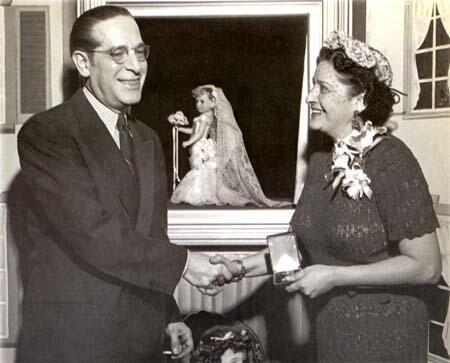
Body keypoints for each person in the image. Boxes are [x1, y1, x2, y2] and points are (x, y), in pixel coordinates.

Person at [13, 6, 233, 363]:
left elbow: (150, 236)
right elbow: (93, 232)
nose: (135, 65)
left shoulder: (146, 139)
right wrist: (184, 263)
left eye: (139, 51)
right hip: (72, 345)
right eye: (118, 53)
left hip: (140, 342)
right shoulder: (47, 134)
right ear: (84, 64)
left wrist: (168, 315)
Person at [211, 31, 442, 362]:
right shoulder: (322, 160)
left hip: (387, 337)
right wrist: (238, 267)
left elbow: (427, 267)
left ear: (359, 100)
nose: (309, 97)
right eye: (313, 85)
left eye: (324, 88)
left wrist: (335, 276)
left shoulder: (392, 160)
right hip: (333, 332)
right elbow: (298, 248)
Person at [171, 84, 289, 207]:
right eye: (197, 101)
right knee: (201, 170)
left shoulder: (209, 118)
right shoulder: (205, 117)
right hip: (202, 145)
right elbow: (195, 131)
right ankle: (202, 194)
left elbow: (200, 134)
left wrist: (189, 142)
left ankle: (203, 195)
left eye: (202, 101)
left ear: (212, 103)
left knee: (203, 170)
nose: (198, 104)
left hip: (202, 145)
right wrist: (179, 128)